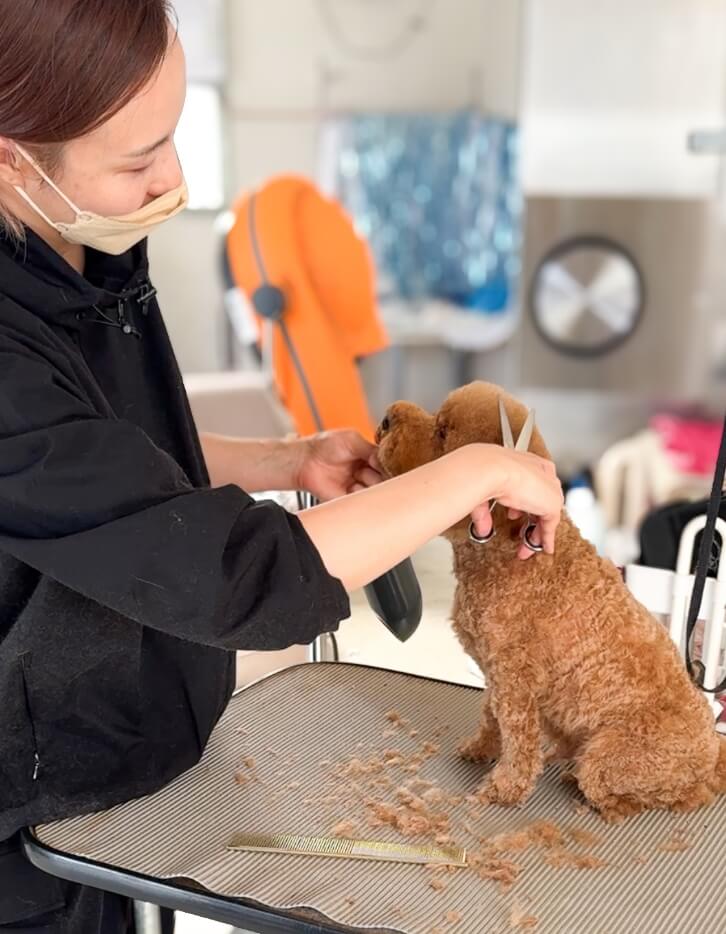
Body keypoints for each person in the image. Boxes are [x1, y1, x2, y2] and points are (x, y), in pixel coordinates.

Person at [0, 2, 564, 931]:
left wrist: (287, 458)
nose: (173, 177)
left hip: (117, 778)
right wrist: (468, 476)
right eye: (140, 160)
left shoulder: (72, 248)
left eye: (173, 136)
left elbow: (105, 461)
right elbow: (230, 575)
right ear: (17, 157)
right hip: (22, 820)